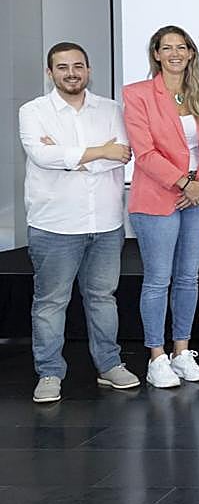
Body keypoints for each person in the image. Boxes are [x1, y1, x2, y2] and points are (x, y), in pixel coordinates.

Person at [20, 42, 140, 403]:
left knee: (103, 298)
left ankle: (110, 365)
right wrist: (100, 150)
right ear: (50, 73)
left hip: (105, 223)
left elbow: (122, 154)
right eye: (62, 67)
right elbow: (42, 156)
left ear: (88, 70)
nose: (71, 73)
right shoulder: (33, 111)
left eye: (78, 66)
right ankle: (49, 373)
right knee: (51, 302)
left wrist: (70, 157)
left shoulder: (111, 109)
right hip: (54, 225)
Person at [123, 25, 199, 389]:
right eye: (167, 48)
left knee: (188, 278)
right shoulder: (138, 94)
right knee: (158, 279)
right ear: (156, 54)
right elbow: (144, 152)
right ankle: (156, 357)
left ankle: (181, 351)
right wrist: (183, 183)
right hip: (157, 196)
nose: (175, 53)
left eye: (182, 47)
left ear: (191, 53)